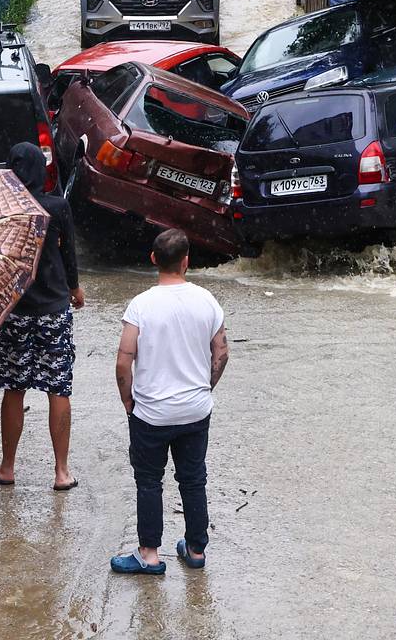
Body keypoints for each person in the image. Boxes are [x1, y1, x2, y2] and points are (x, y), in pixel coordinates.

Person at [111, 228, 229, 575]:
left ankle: (149, 554)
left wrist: (128, 401)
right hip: (195, 409)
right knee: (193, 479)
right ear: (187, 261)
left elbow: (123, 362)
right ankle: (195, 550)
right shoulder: (207, 300)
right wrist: (204, 389)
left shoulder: (141, 305)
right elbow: (221, 352)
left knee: (149, 481)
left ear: (153, 260)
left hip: (151, 413)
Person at [0, 142, 84, 492]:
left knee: (14, 388)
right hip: (53, 310)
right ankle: (61, 471)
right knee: (58, 388)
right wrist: (74, 289)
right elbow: (69, 254)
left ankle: (7, 467)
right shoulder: (57, 208)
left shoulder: (3, 212)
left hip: (15, 312)